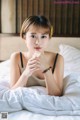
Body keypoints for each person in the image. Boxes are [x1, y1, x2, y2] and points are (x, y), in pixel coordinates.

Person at [10, 15, 64, 96]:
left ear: (49, 38)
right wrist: (26, 73)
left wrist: (46, 70)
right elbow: (13, 92)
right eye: (33, 36)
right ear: (24, 37)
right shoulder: (17, 57)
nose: (38, 42)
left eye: (43, 36)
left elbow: (57, 94)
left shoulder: (57, 59)